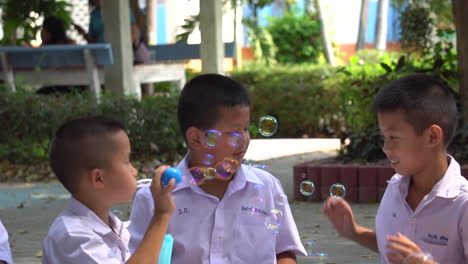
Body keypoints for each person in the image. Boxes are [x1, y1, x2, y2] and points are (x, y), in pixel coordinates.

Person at [128, 74, 307, 263]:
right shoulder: (154, 199)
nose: (244, 140)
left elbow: (284, 251)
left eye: (245, 129)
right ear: (196, 138)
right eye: (232, 132)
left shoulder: (266, 186)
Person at [322, 73, 468, 263]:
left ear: (432, 136)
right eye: (384, 138)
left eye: (394, 138)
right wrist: (354, 232)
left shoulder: (462, 204)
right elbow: (394, 248)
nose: (386, 148)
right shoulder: (396, 187)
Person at [42, 116, 175, 264]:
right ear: (98, 178)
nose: (135, 171)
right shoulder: (72, 236)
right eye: (127, 162)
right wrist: (161, 214)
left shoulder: (113, 225)